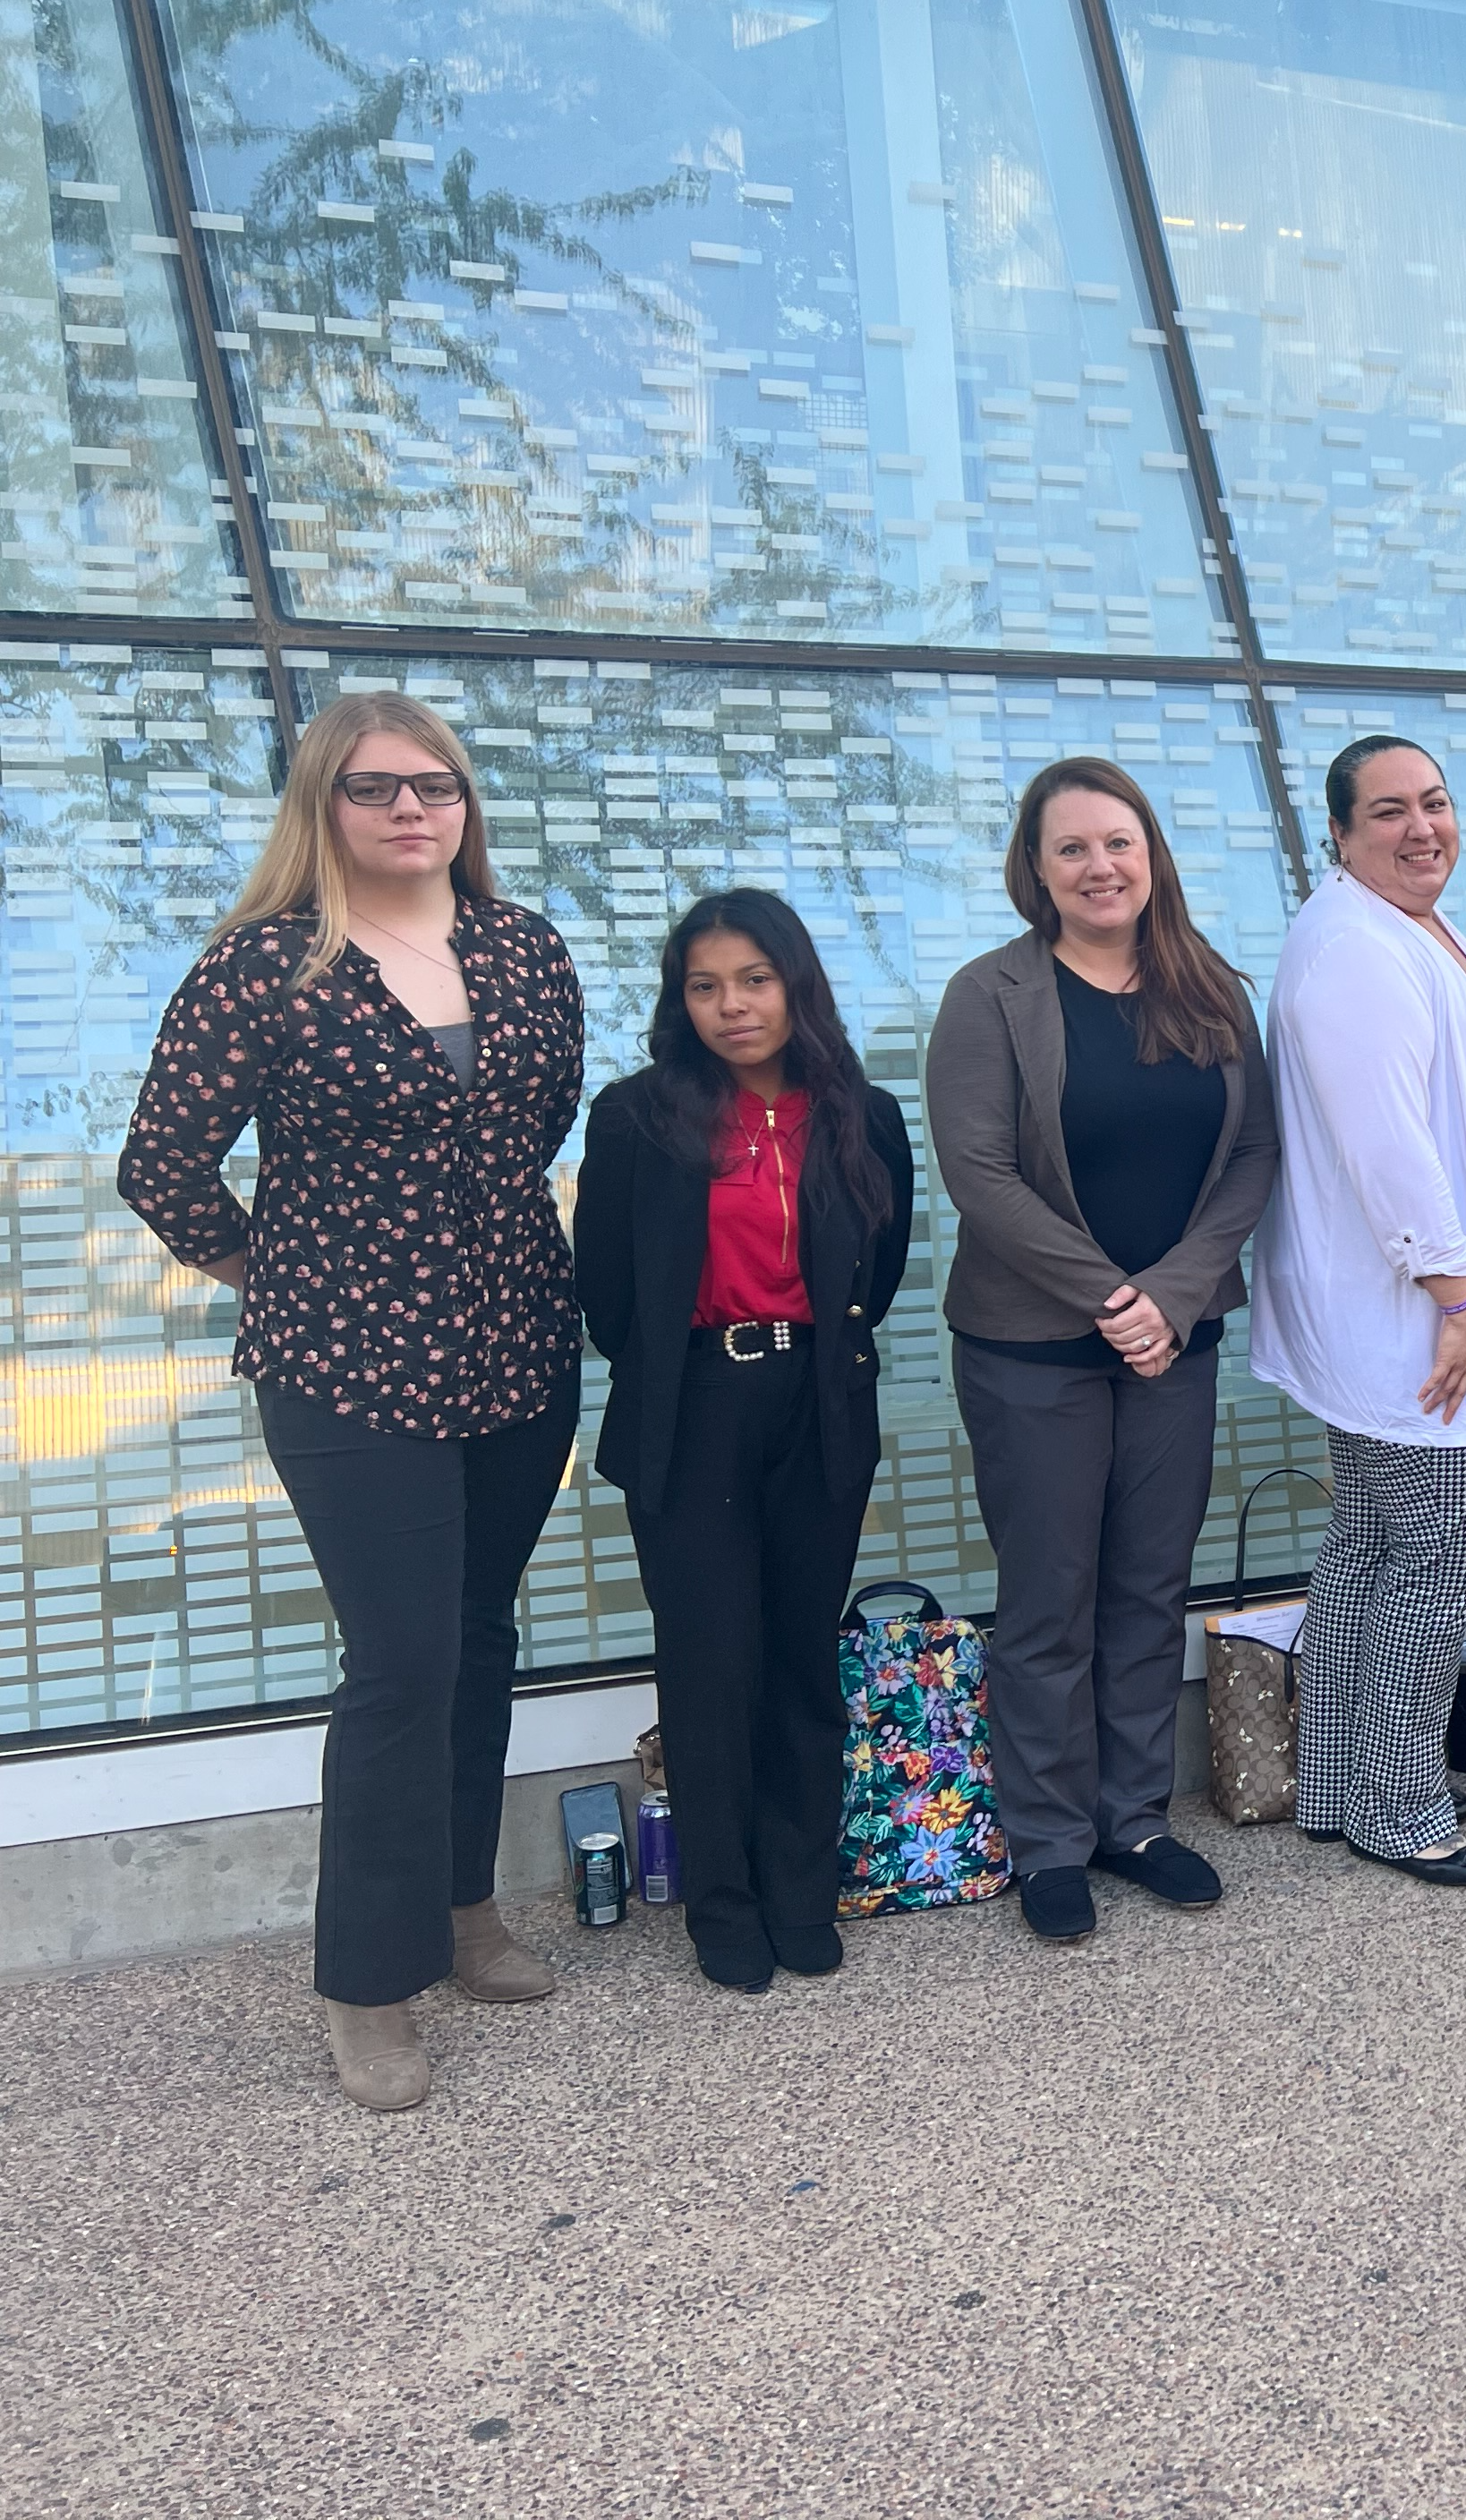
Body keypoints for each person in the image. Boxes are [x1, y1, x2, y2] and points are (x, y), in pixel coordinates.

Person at [116, 692, 584, 2114]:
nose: (408, 812)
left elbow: (540, 1124)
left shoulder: (525, 949)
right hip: (347, 1363)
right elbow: (163, 1166)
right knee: (398, 1660)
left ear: (465, 807)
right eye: (375, 789)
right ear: (324, 804)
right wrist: (277, 1261)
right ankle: (368, 1983)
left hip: (515, 1340)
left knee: (479, 1633)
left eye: (434, 787)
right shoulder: (261, 970)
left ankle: (463, 1915)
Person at [927, 756, 1279, 1945]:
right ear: (1037, 869)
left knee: (1147, 1586)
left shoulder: (1211, 989)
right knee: (1047, 1600)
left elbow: (1253, 1159)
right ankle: (1049, 1841)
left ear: (1152, 856)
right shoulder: (992, 996)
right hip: (1034, 1351)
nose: (1099, 866)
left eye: (1117, 843)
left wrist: (1171, 1299)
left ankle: (1133, 1818)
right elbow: (978, 1171)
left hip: (1174, 1348)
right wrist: (1109, 1298)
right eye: (1071, 848)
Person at [575, 893, 916, 1989]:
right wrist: (702, 1361)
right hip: (693, 1411)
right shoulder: (635, 1117)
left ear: (795, 984)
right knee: (711, 1664)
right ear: (682, 1002)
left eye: (755, 980)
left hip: (819, 1402)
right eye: (706, 985)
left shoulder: (861, 1114)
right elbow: (610, 1296)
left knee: (800, 1660)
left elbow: (882, 1268)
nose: (733, 1005)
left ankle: (800, 1890)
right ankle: (720, 1904)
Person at [1251, 736, 1466, 1886]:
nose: (1421, 829)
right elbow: (1388, 1147)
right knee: (1436, 1549)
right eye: (1388, 813)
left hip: (1404, 1300)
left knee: (1368, 1542)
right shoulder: (1355, 950)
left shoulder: (1398, 928)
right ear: (1340, 834)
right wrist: (1459, 1298)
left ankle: (1337, 1777)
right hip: (1414, 1307)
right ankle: (1399, 1803)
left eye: (1435, 803)